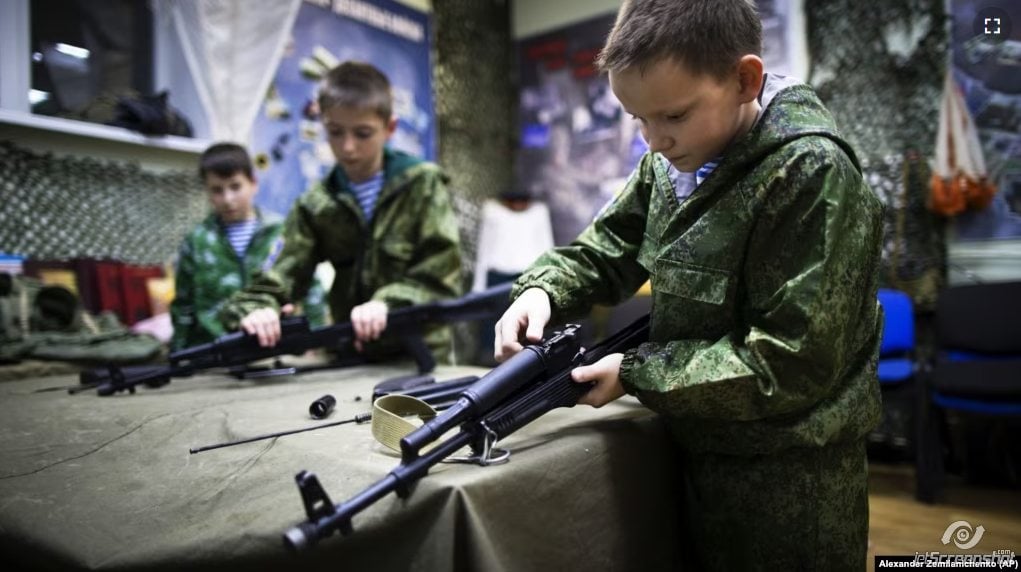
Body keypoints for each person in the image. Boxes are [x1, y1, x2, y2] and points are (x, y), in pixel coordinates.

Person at [494, 0, 884, 569]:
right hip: (689, 449)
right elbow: (605, 250)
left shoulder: (810, 174)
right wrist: (542, 291)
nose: (653, 140)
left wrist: (636, 373)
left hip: (789, 482)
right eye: (638, 119)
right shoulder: (669, 165)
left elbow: (790, 363)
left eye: (673, 116)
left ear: (744, 80)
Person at [219, 62, 462, 363]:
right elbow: (280, 275)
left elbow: (443, 279)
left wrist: (388, 303)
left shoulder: (422, 185)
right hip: (351, 357)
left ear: (390, 128)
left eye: (363, 133)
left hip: (420, 356)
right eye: (335, 132)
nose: (348, 147)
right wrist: (259, 309)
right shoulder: (317, 204)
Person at [170, 143, 326, 351]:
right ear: (207, 191)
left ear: (253, 183)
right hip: (216, 351)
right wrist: (180, 353)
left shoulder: (282, 233)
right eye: (217, 190)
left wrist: (316, 343)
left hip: (276, 347)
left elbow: (311, 288)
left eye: (235, 187)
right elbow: (183, 306)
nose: (228, 199)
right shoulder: (197, 241)